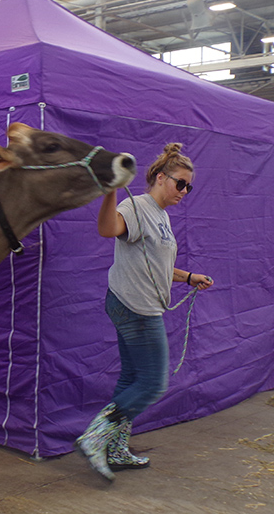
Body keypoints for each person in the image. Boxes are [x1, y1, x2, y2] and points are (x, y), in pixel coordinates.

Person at [75, 142, 214, 482]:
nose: (184, 191)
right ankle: (95, 436)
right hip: (135, 307)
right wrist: (109, 192)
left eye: (188, 186)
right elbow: (108, 230)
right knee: (152, 383)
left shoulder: (161, 215)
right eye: (180, 183)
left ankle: (117, 449)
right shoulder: (135, 207)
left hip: (136, 303)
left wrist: (189, 277)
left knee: (132, 379)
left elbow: (157, 264)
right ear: (161, 178)